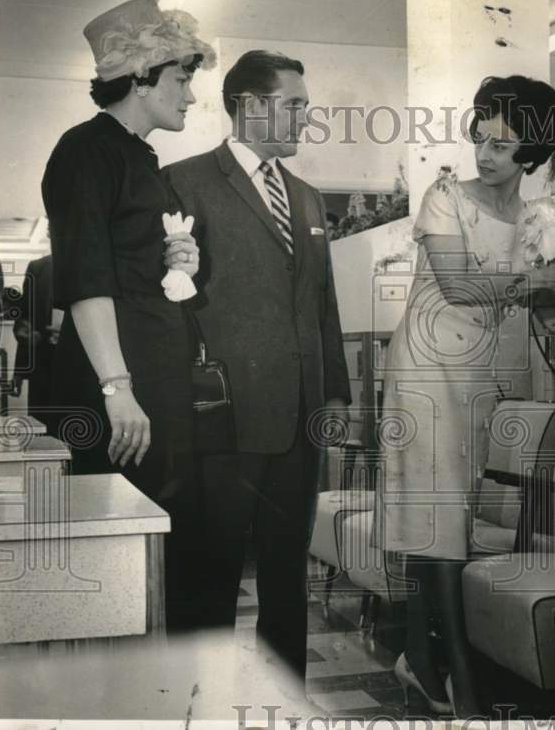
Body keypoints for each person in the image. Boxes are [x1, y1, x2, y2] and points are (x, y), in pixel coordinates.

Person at [378, 75, 555, 715]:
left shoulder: (539, 217)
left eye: (502, 144)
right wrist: (553, 276)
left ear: (531, 154)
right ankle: (463, 680)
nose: (485, 152)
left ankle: (418, 657)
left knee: (442, 517)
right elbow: (460, 287)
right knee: (438, 516)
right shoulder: (445, 198)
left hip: (475, 373)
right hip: (423, 369)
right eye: (481, 136)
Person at [164, 50, 351, 685]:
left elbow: (323, 303)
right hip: (223, 418)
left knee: (286, 576)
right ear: (249, 106)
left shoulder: (308, 198)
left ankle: (284, 702)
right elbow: (170, 303)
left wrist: (338, 400)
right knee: (210, 575)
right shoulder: (184, 183)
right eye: (294, 105)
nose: (306, 117)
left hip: (301, 419)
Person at [41, 0, 215, 630]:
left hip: (152, 382)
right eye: (182, 78)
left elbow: (131, 269)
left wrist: (181, 261)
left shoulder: (141, 158)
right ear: (141, 79)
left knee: (161, 546)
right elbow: (87, 280)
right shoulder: (87, 150)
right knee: (122, 555)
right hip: (118, 388)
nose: (192, 96)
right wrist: (117, 388)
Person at [12, 254, 58, 434]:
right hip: (43, 368)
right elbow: (25, 321)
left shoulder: (94, 262)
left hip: (82, 368)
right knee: (42, 433)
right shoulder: (37, 267)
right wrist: (19, 372)